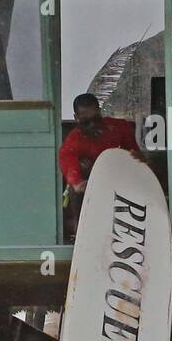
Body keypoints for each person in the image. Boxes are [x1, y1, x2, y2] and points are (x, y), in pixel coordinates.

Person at [58, 93, 143, 238]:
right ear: (76, 118)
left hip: (118, 180)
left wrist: (137, 159)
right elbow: (68, 161)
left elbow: (135, 154)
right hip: (90, 186)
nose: (92, 125)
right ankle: (82, 230)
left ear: (100, 112)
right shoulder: (74, 140)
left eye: (96, 120)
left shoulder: (119, 127)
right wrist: (78, 182)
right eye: (86, 122)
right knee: (76, 185)